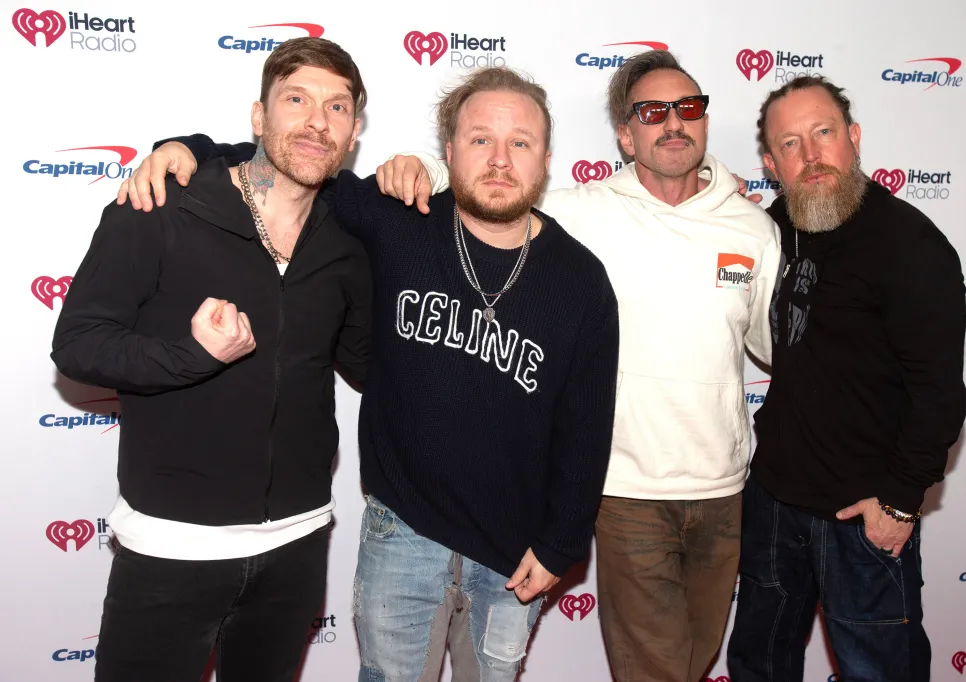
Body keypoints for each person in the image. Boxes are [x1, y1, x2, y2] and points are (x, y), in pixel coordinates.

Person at [118, 66, 619, 681]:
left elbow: (586, 429)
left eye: (520, 143)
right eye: (480, 139)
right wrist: (188, 150)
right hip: (401, 530)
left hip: (517, 549)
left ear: (544, 159)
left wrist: (563, 542)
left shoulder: (581, 282)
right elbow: (294, 160)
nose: (499, 159)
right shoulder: (396, 219)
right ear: (449, 151)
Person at [378, 50, 780, 682]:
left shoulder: (755, 228)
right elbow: (494, 188)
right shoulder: (581, 213)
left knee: (695, 659)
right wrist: (423, 167)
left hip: (725, 490)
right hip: (627, 491)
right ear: (625, 134)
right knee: (656, 668)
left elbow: (770, 346)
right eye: (652, 111)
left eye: (689, 108)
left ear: (704, 119)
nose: (673, 123)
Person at [51, 37, 372, 682]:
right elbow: (78, 345)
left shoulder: (349, 236)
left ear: (355, 131)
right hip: (171, 542)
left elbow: (370, 366)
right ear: (258, 117)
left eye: (337, 107)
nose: (316, 121)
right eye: (297, 100)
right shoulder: (164, 205)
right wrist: (189, 355)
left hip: (299, 540)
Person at [726, 76, 966, 682]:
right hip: (775, 503)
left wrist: (899, 502)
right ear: (771, 164)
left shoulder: (911, 245)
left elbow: (938, 394)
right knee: (759, 665)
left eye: (823, 133)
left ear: (853, 139)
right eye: (790, 144)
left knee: (879, 672)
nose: (811, 155)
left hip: (864, 515)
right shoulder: (771, 229)